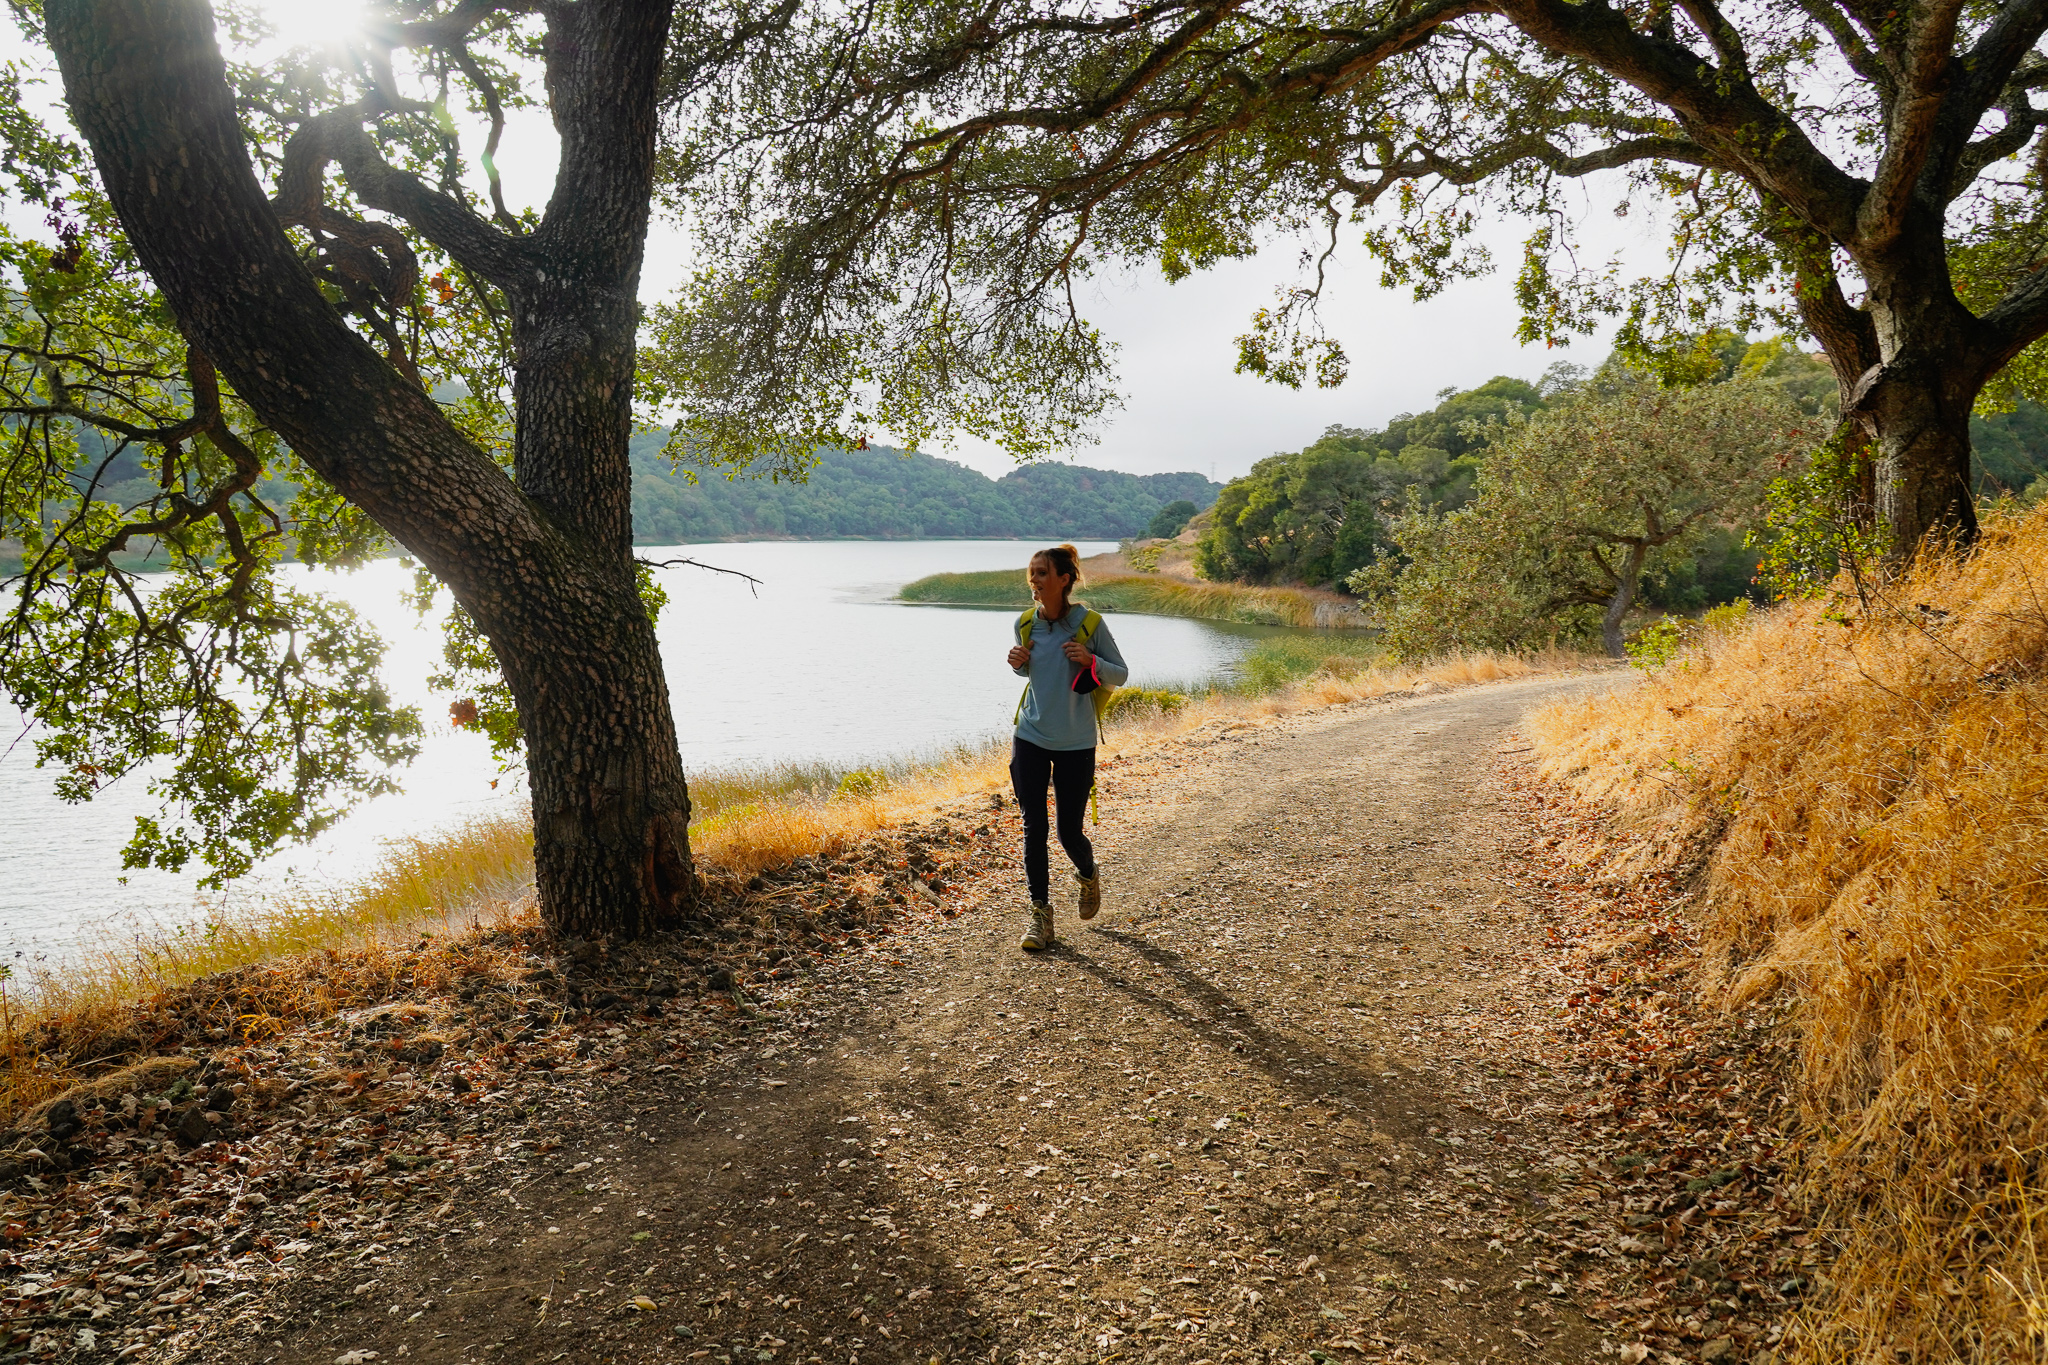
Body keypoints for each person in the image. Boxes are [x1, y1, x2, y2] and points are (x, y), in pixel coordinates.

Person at [1004, 544, 1129, 951]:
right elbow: (1031, 672)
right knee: (1032, 826)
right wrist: (1017, 661)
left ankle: (1088, 874)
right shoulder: (1025, 623)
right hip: (1031, 737)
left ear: (1064, 579)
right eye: (1032, 572)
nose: (1034, 580)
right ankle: (1040, 914)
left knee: (1068, 831)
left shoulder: (1089, 624)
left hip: (1076, 743)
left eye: (1042, 573)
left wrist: (1091, 660)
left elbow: (1121, 673)